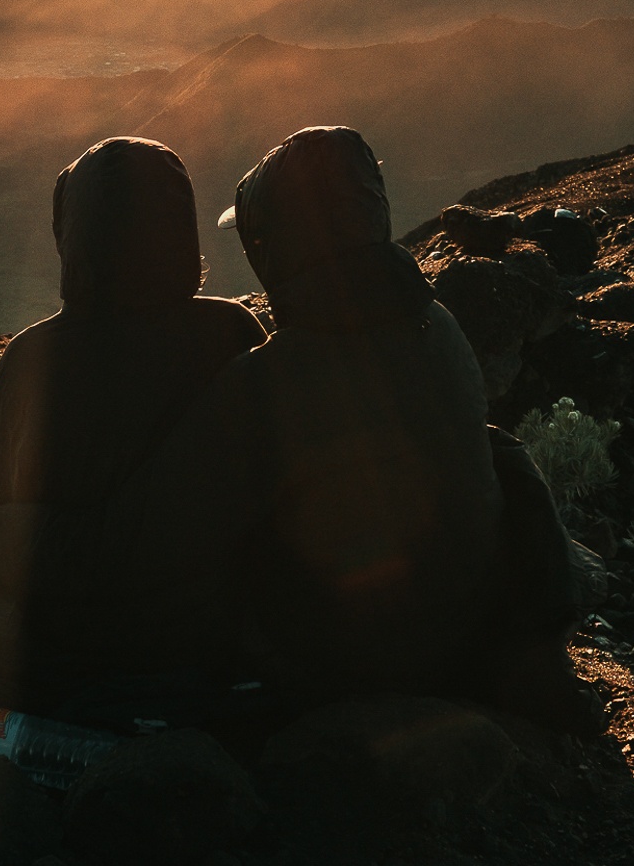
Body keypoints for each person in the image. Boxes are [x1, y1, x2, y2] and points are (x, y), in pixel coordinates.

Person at [116, 126, 524, 704]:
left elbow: (165, 538)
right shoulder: (441, 329)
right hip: (471, 636)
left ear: (274, 247)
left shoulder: (267, 382)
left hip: (346, 667)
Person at [0, 137, 266, 725]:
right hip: (198, 649)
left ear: (73, 235)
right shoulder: (232, 334)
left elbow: (4, 493)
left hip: (50, 667)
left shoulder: (32, 360)